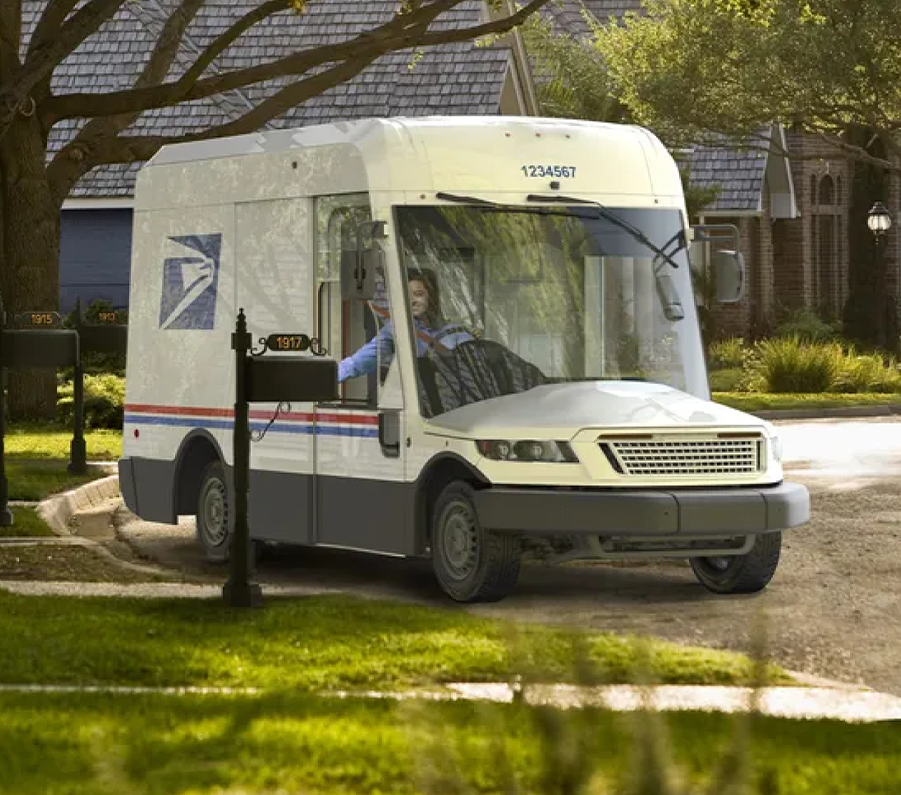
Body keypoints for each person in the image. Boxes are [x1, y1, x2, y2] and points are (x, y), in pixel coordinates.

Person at [338, 268, 473, 383]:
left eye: (418, 294)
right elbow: (359, 362)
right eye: (406, 296)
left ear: (432, 296)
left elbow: (475, 373)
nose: (412, 301)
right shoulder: (396, 331)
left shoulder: (458, 333)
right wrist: (328, 375)